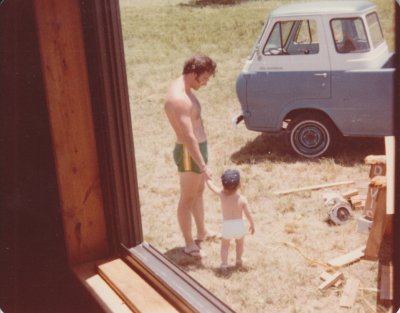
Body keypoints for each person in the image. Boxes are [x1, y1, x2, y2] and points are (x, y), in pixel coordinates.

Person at [164, 54, 217, 258]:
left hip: (197, 148)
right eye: (204, 78)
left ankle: (202, 232)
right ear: (193, 73)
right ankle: (189, 244)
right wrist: (203, 165)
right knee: (187, 197)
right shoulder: (178, 98)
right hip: (189, 152)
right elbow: (188, 137)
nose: (205, 83)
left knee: (199, 191)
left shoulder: (187, 88)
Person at [206, 169, 255, 272]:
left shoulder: (222, 195)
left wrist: (207, 179)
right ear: (239, 185)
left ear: (223, 185)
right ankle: (239, 260)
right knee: (240, 244)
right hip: (239, 225)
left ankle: (224, 264)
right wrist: (252, 224)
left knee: (225, 246)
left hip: (227, 226)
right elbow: (248, 213)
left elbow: (212, 187)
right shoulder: (242, 199)